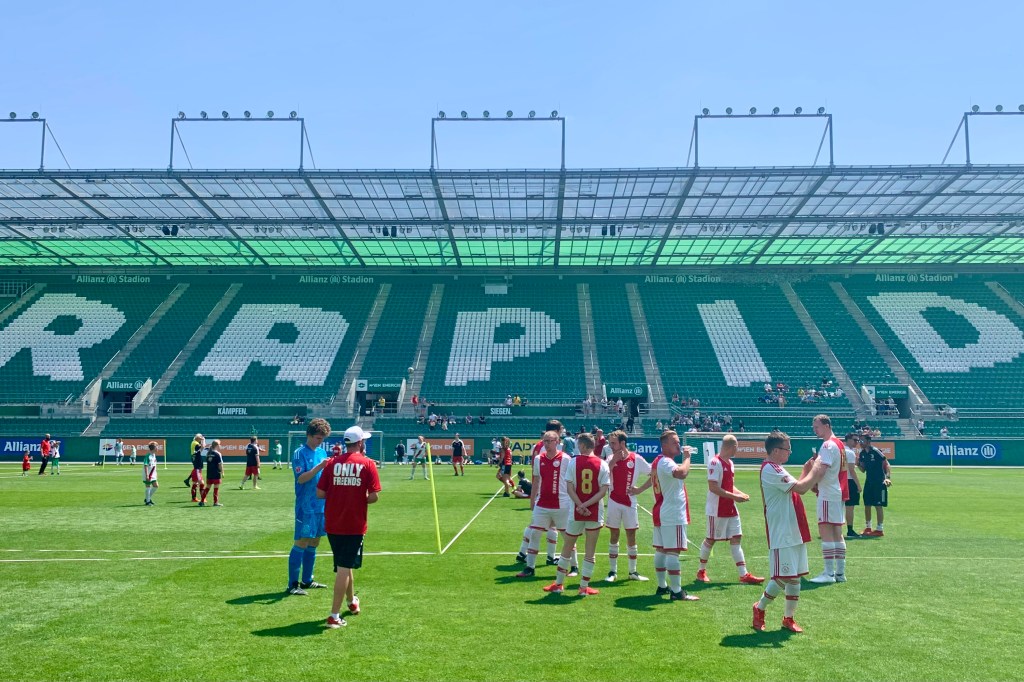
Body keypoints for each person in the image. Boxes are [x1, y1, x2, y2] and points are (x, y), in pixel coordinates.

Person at [752, 430, 820, 634]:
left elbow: (795, 487)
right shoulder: (770, 469)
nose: (790, 452)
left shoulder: (777, 467)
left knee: (795, 576)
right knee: (782, 576)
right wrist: (816, 470)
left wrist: (806, 470)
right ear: (775, 450)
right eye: (787, 448)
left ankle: (788, 618)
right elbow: (801, 488)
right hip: (782, 529)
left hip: (794, 526)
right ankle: (760, 607)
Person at [317, 425, 381, 629]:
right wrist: (358, 497)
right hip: (354, 524)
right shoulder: (368, 464)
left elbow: (320, 493)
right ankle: (334, 615)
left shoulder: (331, 463)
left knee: (345, 564)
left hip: (333, 523)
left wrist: (338, 495)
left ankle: (352, 602)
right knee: (344, 568)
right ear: (360, 442)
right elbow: (374, 496)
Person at [629, 430, 698, 602]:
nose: (678, 444)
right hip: (672, 512)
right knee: (673, 552)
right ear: (664, 445)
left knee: (661, 550)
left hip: (661, 510)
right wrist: (688, 457)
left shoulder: (658, 462)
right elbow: (681, 473)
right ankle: (676, 591)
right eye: (674, 441)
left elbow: (653, 478)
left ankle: (662, 586)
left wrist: (639, 489)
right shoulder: (666, 462)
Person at [543, 433, 610, 596]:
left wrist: (580, 505)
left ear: (582, 446)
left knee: (567, 546)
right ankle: (583, 588)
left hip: (576, 511)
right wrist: (587, 505)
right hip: (594, 511)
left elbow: (569, 487)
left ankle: (559, 584)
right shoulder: (602, 464)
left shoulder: (574, 462)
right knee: (590, 550)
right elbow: (603, 490)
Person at [696, 434, 764, 585]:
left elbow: (728, 485)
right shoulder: (714, 462)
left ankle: (744, 575)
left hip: (730, 508)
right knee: (711, 539)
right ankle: (701, 571)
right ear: (732, 447)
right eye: (737, 447)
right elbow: (713, 487)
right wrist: (735, 497)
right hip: (716, 509)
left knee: (736, 538)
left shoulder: (730, 463)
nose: (737, 450)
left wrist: (739, 494)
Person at [516, 430, 573, 579]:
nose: (547, 444)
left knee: (567, 536)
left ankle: (574, 566)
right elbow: (536, 481)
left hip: (562, 504)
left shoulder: (566, 459)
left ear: (557, 442)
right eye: (545, 441)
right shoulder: (538, 459)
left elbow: (572, 482)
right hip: (542, 503)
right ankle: (530, 567)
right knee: (535, 533)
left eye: (550, 441)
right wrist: (532, 500)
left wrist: (573, 501)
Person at [288, 418, 333, 596]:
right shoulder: (300, 453)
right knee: (302, 541)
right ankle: (292, 584)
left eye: (322, 439)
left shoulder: (322, 452)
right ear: (309, 435)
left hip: (321, 505)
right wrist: (319, 467)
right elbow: (301, 479)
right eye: (317, 438)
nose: (320, 441)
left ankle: (307, 580)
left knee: (315, 541)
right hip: (305, 506)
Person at [603, 429, 652, 582]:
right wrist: (612, 462)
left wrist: (640, 489)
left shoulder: (636, 458)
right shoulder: (610, 458)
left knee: (631, 534)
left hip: (630, 502)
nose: (610, 446)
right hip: (613, 502)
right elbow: (602, 476)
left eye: (613, 443)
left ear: (622, 443)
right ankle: (612, 572)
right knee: (614, 534)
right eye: (610, 443)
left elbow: (653, 474)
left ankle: (633, 572)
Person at [807, 414, 849, 584]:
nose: (814, 430)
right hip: (837, 491)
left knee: (826, 532)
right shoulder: (839, 444)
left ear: (826, 426)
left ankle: (828, 573)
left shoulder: (827, 445)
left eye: (816, 426)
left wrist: (811, 483)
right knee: (837, 533)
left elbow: (822, 470)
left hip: (828, 492)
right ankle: (839, 573)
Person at [858, 434, 891, 537]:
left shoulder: (876, 451)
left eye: (862, 441)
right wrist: (858, 464)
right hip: (869, 481)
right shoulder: (862, 453)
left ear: (868, 441)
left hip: (879, 482)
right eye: (860, 441)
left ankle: (879, 529)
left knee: (878, 505)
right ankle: (868, 527)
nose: (860, 443)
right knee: (867, 504)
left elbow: (886, 464)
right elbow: (863, 470)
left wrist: (887, 478)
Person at [843, 433, 863, 538]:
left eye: (858, 440)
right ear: (848, 440)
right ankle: (850, 530)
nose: (857, 442)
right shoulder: (850, 452)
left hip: (839, 480)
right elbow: (851, 470)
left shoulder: (840, 450)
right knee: (850, 507)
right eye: (855, 440)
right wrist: (858, 485)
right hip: (849, 481)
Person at [198, 440, 224, 507]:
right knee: (216, 488)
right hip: (216, 473)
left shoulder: (208, 453)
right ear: (217, 445)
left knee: (207, 487)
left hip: (209, 473)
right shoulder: (218, 454)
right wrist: (222, 472)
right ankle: (215, 502)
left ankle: (202, 501)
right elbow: (220, 465)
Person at [189, 435, 206, 502]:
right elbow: (203, 447)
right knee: (201, 483)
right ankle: (202, 498)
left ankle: (194, 498)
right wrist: (203, 440)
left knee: (195, 483)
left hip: (197, 467)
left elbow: (201, 449)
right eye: (200, 437)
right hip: (197, 468)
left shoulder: (194, 443)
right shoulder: (195, 443)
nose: (201, 438)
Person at [143, 441, 159, 506]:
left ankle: (147, 498)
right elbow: (145, 465)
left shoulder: (153, 455)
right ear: (154, 448)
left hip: (153, 474)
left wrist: (156, 473)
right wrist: (147, 475)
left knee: (156, 486)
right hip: (148, 474)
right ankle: (148, 501)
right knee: (148, 487)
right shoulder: (148, 456)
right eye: (156, 447)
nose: (157, 448)